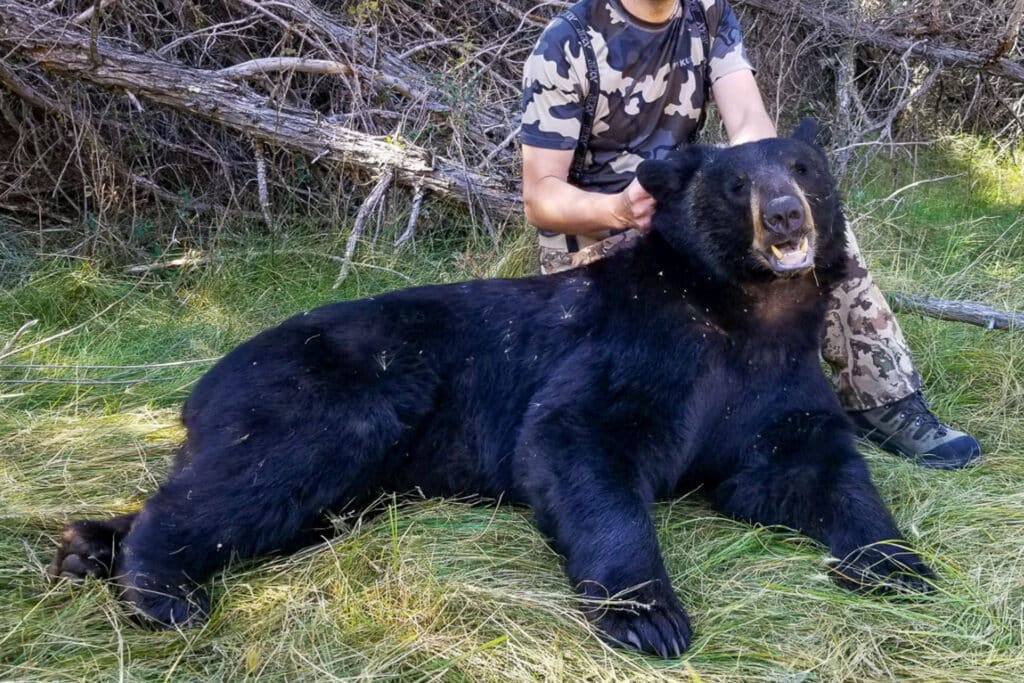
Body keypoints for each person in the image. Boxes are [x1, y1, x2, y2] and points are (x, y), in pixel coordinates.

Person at [519, 0, 982, 468]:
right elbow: (540, 196)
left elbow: (749, 126)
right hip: (597, 241)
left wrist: (762, 189)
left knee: (814, 235)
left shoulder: (707, 13)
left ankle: (884, 399)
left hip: (680, 209)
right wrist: (617, 209)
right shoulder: (567, 41)